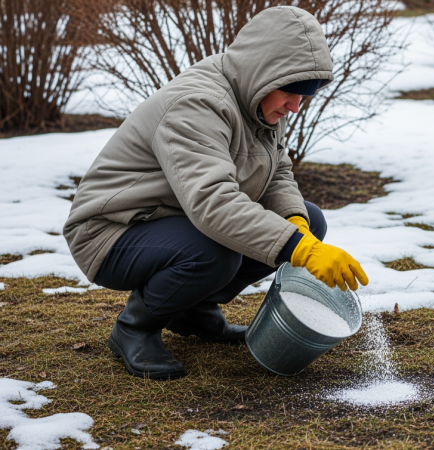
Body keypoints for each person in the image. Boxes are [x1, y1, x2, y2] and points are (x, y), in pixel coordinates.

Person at [63, 6, 368, 380]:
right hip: (111, 231)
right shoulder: (197, 104)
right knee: (217, 252)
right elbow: (213, 202)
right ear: (262, 71)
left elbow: (276, 172)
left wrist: (297, 225)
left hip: (172, 218)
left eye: (304, 96)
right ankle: (135, 327)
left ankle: (193, 312)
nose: (294, 107)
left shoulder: (258, 99)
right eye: (290, 93)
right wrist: (298, 248)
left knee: (310, 220)